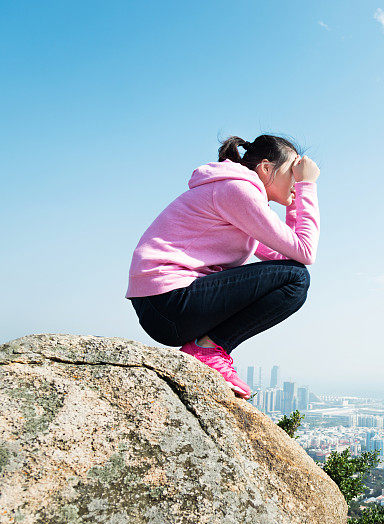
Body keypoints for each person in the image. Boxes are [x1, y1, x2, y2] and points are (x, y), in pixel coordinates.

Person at [124, 134, 320, 398]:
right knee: (297, 279)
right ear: (265, 168)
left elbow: (290, 257)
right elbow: (304, 252)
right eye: (292, 173)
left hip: (165, 306)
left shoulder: (241, 198)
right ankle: (208, 349)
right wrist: (307, 185)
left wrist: (296, 200)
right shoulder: (237, 191)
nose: (296, 180)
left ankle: (209, 348)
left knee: (295, 278)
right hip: (168, 302)